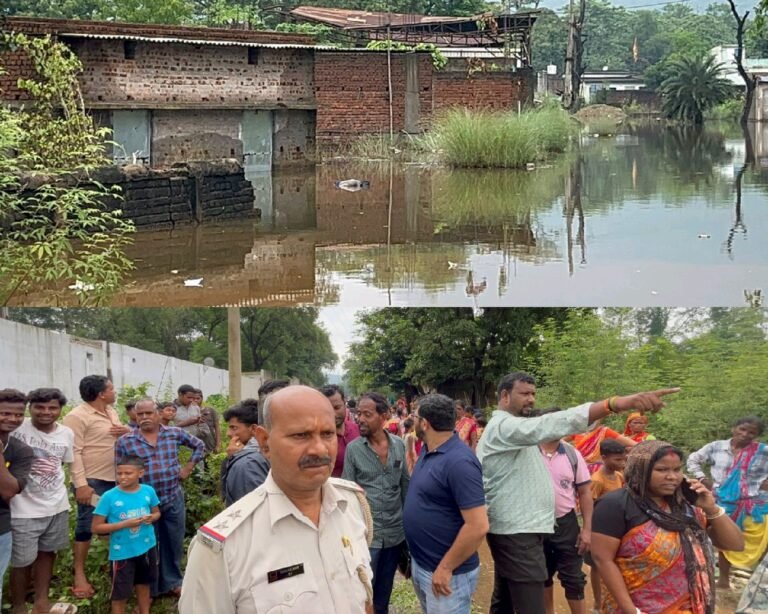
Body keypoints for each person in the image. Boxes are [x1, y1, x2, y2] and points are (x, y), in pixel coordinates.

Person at [476, 371, 679, 614]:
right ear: (505, 396)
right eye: (524, 394)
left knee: (506, 600)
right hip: (517, 533)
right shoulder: (505, 427)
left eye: (533, 394)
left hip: (524, 529)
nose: (531, 399)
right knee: (531, 604)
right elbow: (551, 423)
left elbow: (555, 427)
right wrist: (615, 404)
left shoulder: (521, 432)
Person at [179, 385, 374, 614]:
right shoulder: (222, 547)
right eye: (301, 435)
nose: (319, 449)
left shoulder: (351, 504)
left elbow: (364, 598)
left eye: (327, 434)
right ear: (264, 441)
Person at [591, 440, 744, 613]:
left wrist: (711, 508)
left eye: (677, 469)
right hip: (640, 607)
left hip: (690, 606)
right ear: (640, 469)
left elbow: (735, 545)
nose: (672, 477)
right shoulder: (615, 505)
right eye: (662, 470)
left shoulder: (687, 505)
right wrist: (630, 610)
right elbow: (603, 560)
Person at [403, 393, 488, 613]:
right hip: (424, 565)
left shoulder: (460, 462)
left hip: (447, 575)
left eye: (416, 417)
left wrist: (445, 568)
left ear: (425, 423)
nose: (413, 421)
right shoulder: (429, 449)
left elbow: (478, 526)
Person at [115, 398, 205, 599]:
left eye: (149, 413)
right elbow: (119, 472)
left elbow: (199, 446)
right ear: (135, 417)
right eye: (140, 414)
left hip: (172, 497)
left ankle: (173, 582)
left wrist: (188, 468)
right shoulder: (126, 442)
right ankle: (151, 588)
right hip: (143, 505)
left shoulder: (173, 433)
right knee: (148, 545)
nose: (145, 418)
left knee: (173, 541)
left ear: (158, 414)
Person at [62, 374, 130, 599]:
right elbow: (74, 452)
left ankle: (110, 567)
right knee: (86, 526)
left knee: (112, 523)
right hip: (92, 481)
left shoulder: (110, 411)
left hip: (115, 479)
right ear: (101, 393)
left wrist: (127, 431)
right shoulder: (76, 416)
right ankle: (79, 574)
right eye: (112, 388)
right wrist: (81, 485)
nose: (115, 392)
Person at [343, 391, 410, 614]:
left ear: (384, 416)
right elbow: (346, 494)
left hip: (394, 535)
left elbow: (405, 488)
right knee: (362, 593)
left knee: (384, 591)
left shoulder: (399, 446)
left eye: (367, 414)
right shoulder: (354, 450)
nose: (360, 418)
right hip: (366, 537)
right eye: (358, 413)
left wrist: (409, 531)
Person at [9, 388, 75, 614]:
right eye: (39, 407)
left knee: (48, 553)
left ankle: (41, 601)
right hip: (22, 508)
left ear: (60, 410)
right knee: (21, 561)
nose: (46, 412)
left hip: (56, 505)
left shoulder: (66, 433)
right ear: (30, 408)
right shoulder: (16, 428)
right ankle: (18, 606)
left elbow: (63, 464)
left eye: (52, 408)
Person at [687, 416, 768, 588]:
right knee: (723, 538)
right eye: (742, 429)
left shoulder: (763, 451)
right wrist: (702, 478)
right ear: (734, 429)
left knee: (761, 540)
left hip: (754, 505)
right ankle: (723, 580)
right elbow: (693, 460)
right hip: (722, 501)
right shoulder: (716, 447)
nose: (745, 434)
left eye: (751, 432)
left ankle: (758, 580)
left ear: (757, 435)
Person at [92, 456, 161, 614]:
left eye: (128, 473)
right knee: (120, 594)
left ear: (140, 473)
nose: (123, 477)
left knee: (144, 584)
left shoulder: (148, 491)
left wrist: (152, 517)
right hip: (122, 553)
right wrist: (124, 524)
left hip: (146, 547)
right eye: (119, 473)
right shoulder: (109, 497)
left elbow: (157, 513)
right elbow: (96, 527)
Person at [539, 437, 593, 614]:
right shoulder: (527, 452)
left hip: (566, 523)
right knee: (542, 573)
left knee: (573, 577)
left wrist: (586, 529)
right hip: (535, 524)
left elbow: (585, 492)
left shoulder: (572, 454)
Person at [0, 389, 34, 607]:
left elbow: (9, 491)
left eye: (18, 414)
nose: (12, 419)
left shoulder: (21, 450)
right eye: (4, 413)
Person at [587, 438, 627, 609]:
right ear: (604, 458)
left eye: (623, 459)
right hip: (599, 528)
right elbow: (588, 505)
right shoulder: (597, 480)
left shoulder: (619, 476)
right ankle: (598, 601)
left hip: (616, 527)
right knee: (597, 566)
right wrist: (587, 530)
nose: (622, 463)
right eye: (617, 460)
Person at [221, 399, 270, 505]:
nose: (228, 434)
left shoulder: (247, 464)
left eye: (234, 428)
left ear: (253, 429)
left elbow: (252, 508)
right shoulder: (268, 448)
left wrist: (237, 457)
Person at [320, 385, 360, 477]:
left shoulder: (358, 430)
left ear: (344, 404)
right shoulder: (318, 439)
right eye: (327, 409)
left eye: (337, 407)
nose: (333, 414)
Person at [571, 421, 636, 474]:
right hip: (577, 469)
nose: (593, 420)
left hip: (600, 470)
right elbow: (561, 441)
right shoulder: (576, 431)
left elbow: (634, 444)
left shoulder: (604, 431)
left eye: (596, 417)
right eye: (590, 416)